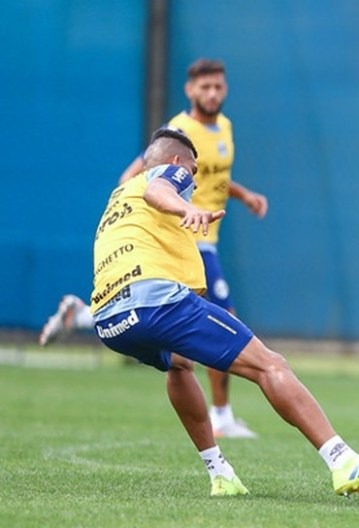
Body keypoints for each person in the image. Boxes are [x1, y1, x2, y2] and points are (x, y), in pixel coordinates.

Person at [89, 127, 359, 497]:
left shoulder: (120, 195)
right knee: (270, 364)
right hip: (155, 302)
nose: (193, 181)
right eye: (194, 172)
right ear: (179, 163)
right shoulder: (169, 175)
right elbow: (160, 190)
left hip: (109, 319)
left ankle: (220, 474)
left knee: (179, 365)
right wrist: (187, 206)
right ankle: (344, 462)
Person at [40, 58, 266, 439]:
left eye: (218, 87)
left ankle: (83, 315)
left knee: (185, 330)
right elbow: (137, 177)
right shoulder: (178, 131)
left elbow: (216, 178)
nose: (212, 93)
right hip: (188, 238)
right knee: (225, 319)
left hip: (206, 236)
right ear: (189, 90)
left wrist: (244, 196)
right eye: (204, 87)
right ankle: (222, 414)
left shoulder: (224, 128)